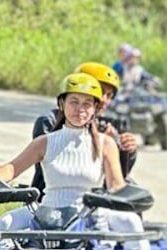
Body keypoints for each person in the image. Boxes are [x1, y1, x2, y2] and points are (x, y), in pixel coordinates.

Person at [0, 73, 145, 248]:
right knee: (5, 222)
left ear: (95, 108)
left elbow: (116, 187)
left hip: (90, 214)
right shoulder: (44, 142)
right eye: (74, 101)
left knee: (132, 222)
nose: (80, 109)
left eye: (87, 104)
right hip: (47, 211)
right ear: (61, 104)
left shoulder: (106, 143)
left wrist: (136, 195)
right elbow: (11, 168)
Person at [31, 61, 138, 194]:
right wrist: (99, 144)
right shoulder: (49, 121)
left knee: (131, 188)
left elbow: (119, 178)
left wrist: (125, 150)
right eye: (100, 91)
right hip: (50, 199)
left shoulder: (111, 126)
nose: (104, 100)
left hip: (94, 201)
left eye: (110, 96)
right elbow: (65, 166)